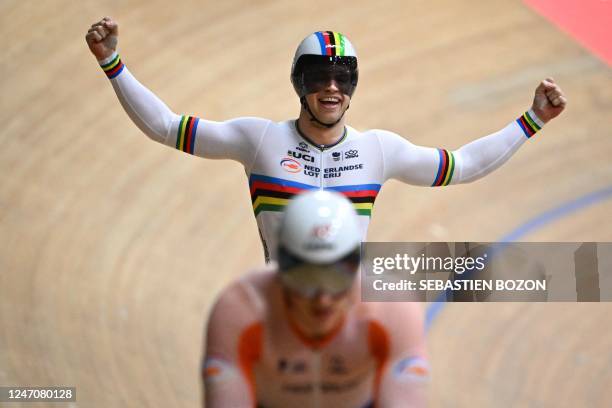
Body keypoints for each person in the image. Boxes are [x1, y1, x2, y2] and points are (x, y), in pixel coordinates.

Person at [85, 17, 567, 262]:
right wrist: (113, 63)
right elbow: (167, 127)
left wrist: (532, 120)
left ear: (354, 86)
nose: (331, 88)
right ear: (299, 84)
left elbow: (462, 165)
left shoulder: (379, 150)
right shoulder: (258, 140)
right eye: (319, 77)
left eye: (342, 78)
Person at [203, 190, 429, 407]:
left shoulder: (392, 308)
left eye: (337, 279)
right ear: (280, 268)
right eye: (305, 279)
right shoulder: (241, 310)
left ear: (356, 268)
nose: (323, 299)